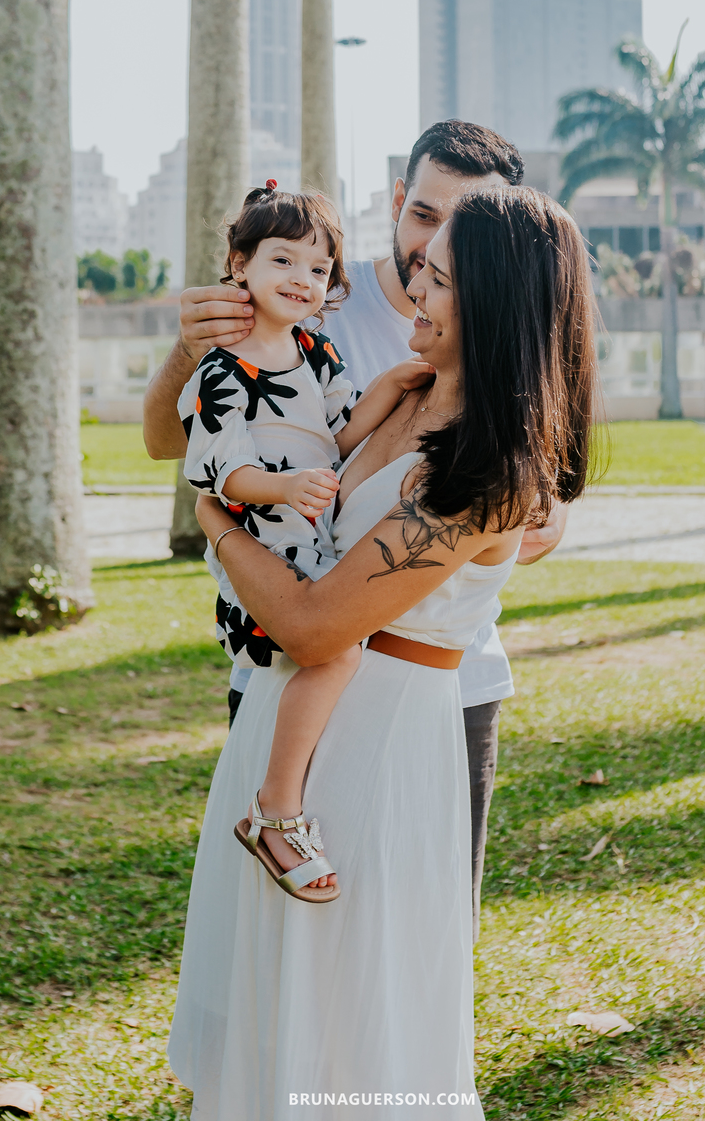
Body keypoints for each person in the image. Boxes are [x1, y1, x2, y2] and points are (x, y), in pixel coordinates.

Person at [168, 186, 599, 1115]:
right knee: (272, 1025)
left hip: (375, 759)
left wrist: (217, 522)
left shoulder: (486, 470)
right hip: (287, 733)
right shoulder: (396, 394)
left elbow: (318, 625)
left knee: (347, 1043)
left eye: (437, 280)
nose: (414, 290)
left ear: (488, 305)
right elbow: (226, 428)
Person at [143, 119, 569, 933]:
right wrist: (189, 351)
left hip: (444, 678)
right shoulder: (311, 299)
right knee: (284, 943)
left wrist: (523, 521)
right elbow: (173, 440)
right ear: (399, 200)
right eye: (425, 217)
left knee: (415, 932)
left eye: (462, 231)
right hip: (290, 652)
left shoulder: (513, 331)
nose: (434, 249)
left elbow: (544, 491)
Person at [180, 181, 432, 899]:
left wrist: (395, 384)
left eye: (317, 270)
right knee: (334, 648)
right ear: (239, 264)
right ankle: (276, 809)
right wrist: (285, 487)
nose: (301, 280)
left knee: (343, 646)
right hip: (261, 539)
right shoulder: (223, 368)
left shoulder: (314, 350)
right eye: (283, 261)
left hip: (309, 537)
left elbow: (344, 433)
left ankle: (290, 801)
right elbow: (218, 471)